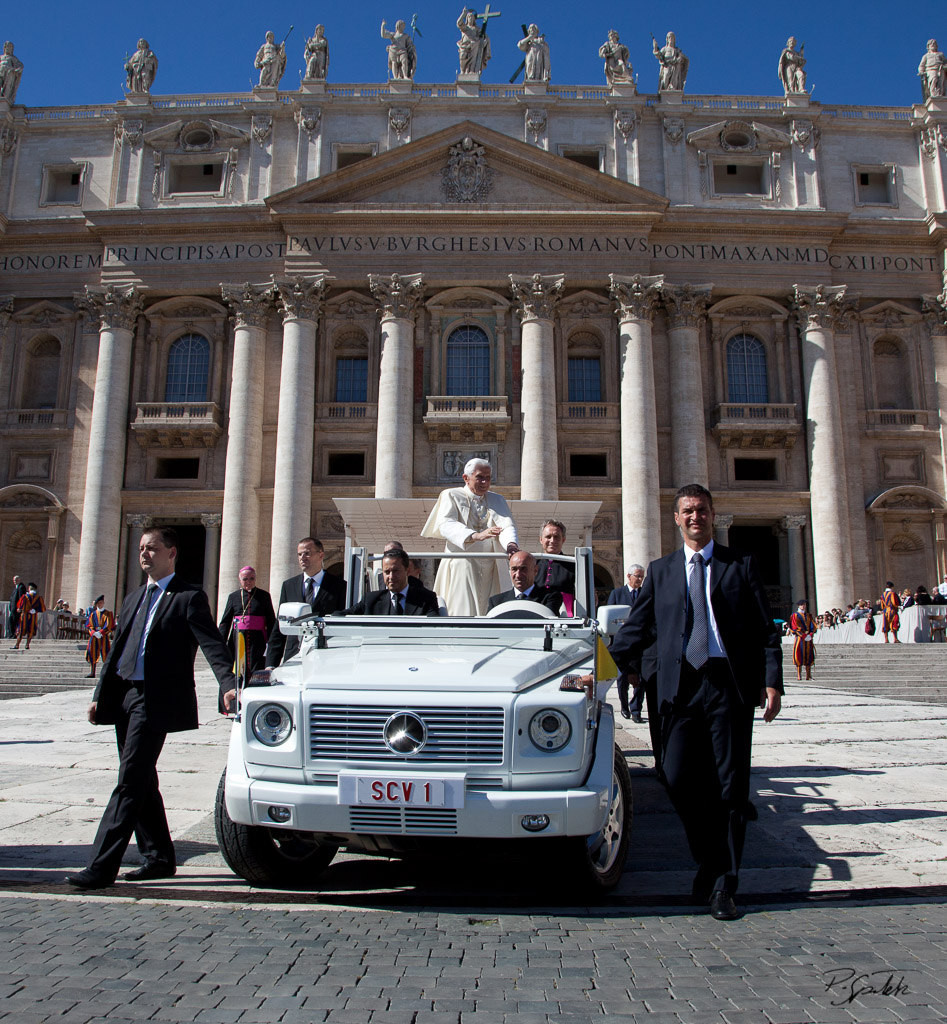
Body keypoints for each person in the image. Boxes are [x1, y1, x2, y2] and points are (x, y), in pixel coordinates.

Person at [609, 483, 782, 921]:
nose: (695, 517)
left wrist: (772, 682)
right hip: (678, 686)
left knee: (730, 786)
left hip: (728, 684)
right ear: (676, 517)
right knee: (675, 775)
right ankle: (709, 857)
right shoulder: (661, 570)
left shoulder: (739, 564)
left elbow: (765, 630)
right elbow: (636, 629)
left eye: (702, 510)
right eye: (687, 510)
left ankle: (725, 883)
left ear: (712, 513)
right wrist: (597, 664)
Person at [66, 526, 235, 889]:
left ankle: (100, 866)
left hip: (155, 699)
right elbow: (114, 652)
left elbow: (213, 644)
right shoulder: (132, 598)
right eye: (142, 548)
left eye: (152, 548)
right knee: (143, 778)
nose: (144, 554)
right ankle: (159, 857)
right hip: (125, 695)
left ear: (171, 553)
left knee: (128, 781)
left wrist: (228, 683)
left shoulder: (189, 597)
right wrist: (100, 694)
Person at [420, 458, 519, 616]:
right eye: (480, 477)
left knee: (492, 607)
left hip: (492, 563)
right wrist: (475, 535)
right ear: (466, 478)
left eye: (488, 478)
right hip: (463, 560)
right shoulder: (451, 495)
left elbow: (507, 526)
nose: (485, 482)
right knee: (462, 607)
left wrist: (511, 546)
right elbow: (446, 523)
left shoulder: (497, 499)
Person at [264, 537, 347, 667]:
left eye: (307, 553)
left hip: (326, 657)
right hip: (293, 658)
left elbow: (343, 625)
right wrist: (270, 665)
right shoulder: (288, 586)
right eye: (299, 554)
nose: (302, 557)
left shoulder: (339, 586)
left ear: (321, 555)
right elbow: (279, 627)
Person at [339, 548, 439, 616]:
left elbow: (435, 628)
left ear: (407, 571)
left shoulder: (426, 599)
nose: (391, 577)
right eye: (387, 572)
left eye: (395, 571)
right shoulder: (370, 600)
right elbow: (342, 616)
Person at [218, 566, 276, 679]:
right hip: (237, 640)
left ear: (255, 579)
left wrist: (272, 643)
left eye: (251, 578)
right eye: (245, 579)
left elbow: (271, 621)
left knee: (257, 670)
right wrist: (221, 642)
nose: (248, 582)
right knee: (236, 673)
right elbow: (225, 621)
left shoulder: (264, 596)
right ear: (240, 580)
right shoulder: (233, 597)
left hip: (258, 642)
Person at [605, 565, 646, 721]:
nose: (640, 580)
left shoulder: (645, 594)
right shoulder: (617, 593)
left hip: (641, 642)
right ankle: (624, 706)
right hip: (622, 641)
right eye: (638, 576)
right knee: (622, 679)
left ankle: (636, 710)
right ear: (629, 576)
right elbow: (610, 615)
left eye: (642, 577)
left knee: (641, 680)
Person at [487, 551, 563, 613]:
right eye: (514, 569)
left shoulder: (550, 598)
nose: (518, 575)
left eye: (523, 569)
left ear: (535, 571)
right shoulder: (496, 602)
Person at [535, 519, 576, 613]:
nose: (552, 541)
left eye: (556, 537)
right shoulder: (532, 563)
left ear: (563, 540)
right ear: (541, 539)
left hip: (564, 614)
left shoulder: (573, 564)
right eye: (548, 537)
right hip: (537, 610)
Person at [85, 595, 114, 678]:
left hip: (103, 636)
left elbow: (109, 625)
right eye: (98, 603)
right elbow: (89, 625)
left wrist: (101, 632)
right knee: (92, 653)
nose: (99, 604)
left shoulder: (108, 613)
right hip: (94, 637)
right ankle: (92, 672)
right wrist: (94, 632)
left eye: (101, 603)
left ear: (103, 603)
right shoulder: (92, 614)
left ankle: (106, 673)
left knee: (106, 653)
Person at [788, 598, 816, 681]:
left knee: (809, 655)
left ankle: (808, 675)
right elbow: (794, 627)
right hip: (800, 638)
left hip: (808, 638)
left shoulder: (809, 615)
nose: (803, 606)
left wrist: (810, 634)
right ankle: (799, 675)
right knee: (799, 655)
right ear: (798, 606)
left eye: (804, 605)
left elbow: (812, 625)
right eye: (801, 605)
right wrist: (803, 635)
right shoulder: (795, 615)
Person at [457, 8, 490, 75]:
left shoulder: (477, 29)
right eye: (469, 17)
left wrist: (485, 41)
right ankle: (463, 71)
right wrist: (463, 14)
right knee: (463, 56)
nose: (470, 18)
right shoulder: (465, 27)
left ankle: (472, 71)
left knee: (473, 60)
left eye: (472, 17)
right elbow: (459, 23)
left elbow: (484, 36)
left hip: (475, 45)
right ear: (466, 19)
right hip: (464, 46)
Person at [13, 582, 44, 650]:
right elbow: (42, 608)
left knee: (21, 629)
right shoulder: (38, 597)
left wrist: (20, 609)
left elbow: (20, 606)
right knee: (31, 630)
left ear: (29, 588)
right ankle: (27, 645)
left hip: (25, 615)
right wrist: (34, 610)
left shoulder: (25, 596)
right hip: (33, 616)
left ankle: (17, 645)